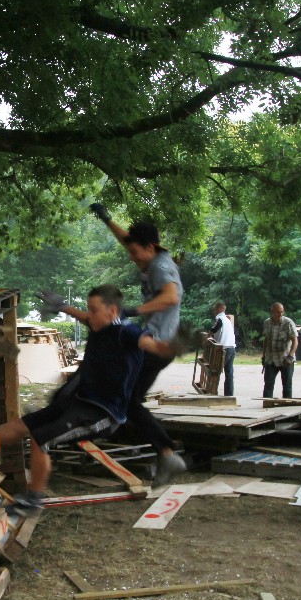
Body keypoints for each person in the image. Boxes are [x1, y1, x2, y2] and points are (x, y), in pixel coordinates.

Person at [1, 285, 183, 516]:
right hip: (77, 402)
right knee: (20, 426)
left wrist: (172, 346)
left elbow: (152, 345)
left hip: (102, 413)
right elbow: (83, 316)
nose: (89, 315)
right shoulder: (99, 324)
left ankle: (33, 500)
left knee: (40, 438)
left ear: (113, 311)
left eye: (94, 310)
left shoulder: (127, 332)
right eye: (89, 309)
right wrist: (62, 306)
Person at [86, 204, 187, 484]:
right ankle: (165, 453)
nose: (132, 258)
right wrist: (107, 219)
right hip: (159, 344)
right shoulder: (150, 256)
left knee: (123, 393)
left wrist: (133, 310)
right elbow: (127, 240)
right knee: (130, 400)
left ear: (150, 247)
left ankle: (163, 451)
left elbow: (171, 297)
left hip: (157, 345)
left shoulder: (161, 267)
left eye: (135, 253)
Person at [261, 303, 297, 398]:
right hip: (271, 359)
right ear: (272, 312)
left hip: (285, 358)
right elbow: (266, 340)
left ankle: (286, 404)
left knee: (287, 386)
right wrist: (264, 356)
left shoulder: (288, 323)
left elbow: (295, 341)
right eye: (277, 312)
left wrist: (290, 356)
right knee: (268, 385)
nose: (280, 314)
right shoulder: (267, 323)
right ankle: (267, 404)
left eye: (282, 312)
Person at [210, 301, 237, 396]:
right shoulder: (227, 320)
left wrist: (207, 337)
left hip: (224, 349)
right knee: (229, 373)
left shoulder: (220, 319)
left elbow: (213, 329)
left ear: (219, 309)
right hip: (232, 348)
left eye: (215, 309)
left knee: (215, 371)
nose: (214, 311)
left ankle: (212, 392)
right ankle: (229, 395)